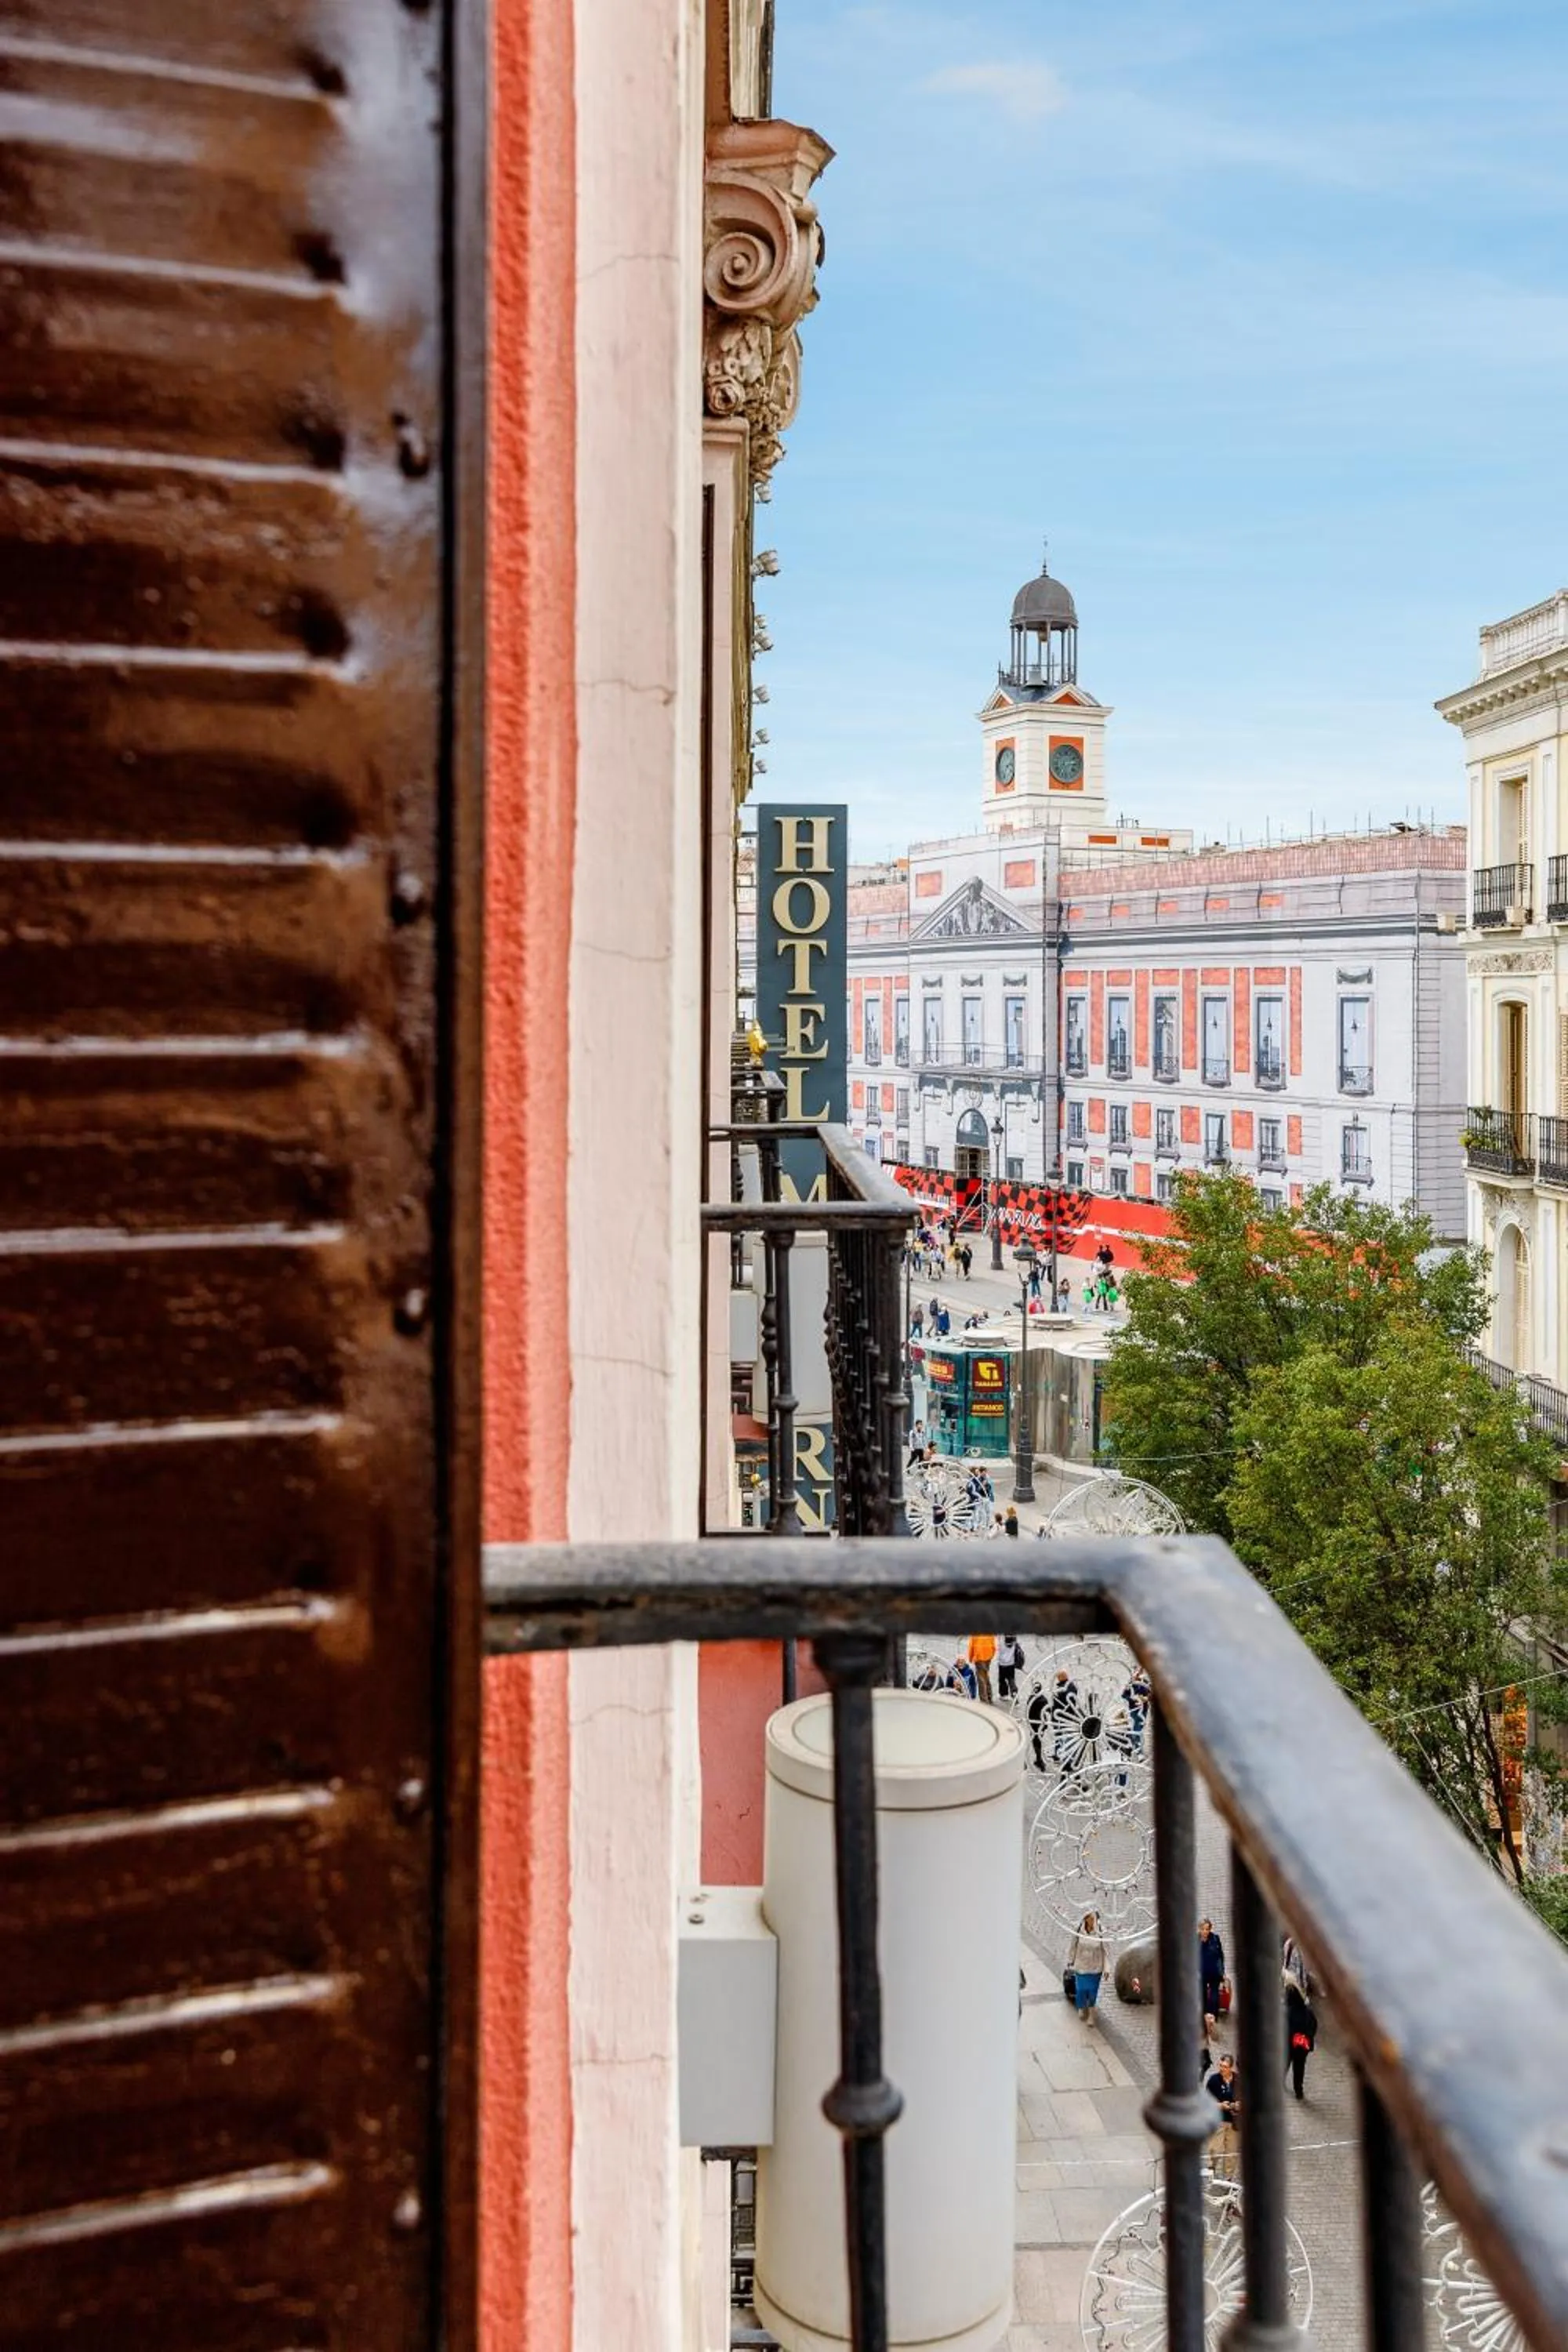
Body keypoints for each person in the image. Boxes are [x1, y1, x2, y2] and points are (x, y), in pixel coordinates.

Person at [1066, 1909, 1106, 2025]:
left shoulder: (1101, 1931)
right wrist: (1070, 1960)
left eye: (1093, 1918)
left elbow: (1106, 1950)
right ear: (1085, 1919)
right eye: (1089, 1918)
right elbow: (1073, 1945)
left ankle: (1091, 2015)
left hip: (1095, 1967)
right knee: (1081, 1990)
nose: (1092, 1920)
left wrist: (1107, 1969)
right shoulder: (1078, 1929)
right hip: (1081, 1965)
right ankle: (1081, 2006)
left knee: (1093, 1992)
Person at [1207, 2053, 1241, 2177]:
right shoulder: (1213, 2081)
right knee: (1215, 2149)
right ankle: (1211, 2168)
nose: (1222, 2069)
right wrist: (1220, 2106)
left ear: (1231, 2068)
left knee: (1231, 2152)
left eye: (1225, 2067)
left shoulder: (1239, 2081)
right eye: (1220, 2066)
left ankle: (1228, 2178)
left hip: (1234, 2123)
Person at [1284, 1978, 1317, 2101]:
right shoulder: (1307, 2012)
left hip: (1287, 2046)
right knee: (1299, 2068)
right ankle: (1298, 2090)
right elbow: (1314, 2026)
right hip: (1302, 2046)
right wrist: (1309, 2037)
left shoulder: (1284, 2012)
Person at [1198, 1918, 1226, 2040]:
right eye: (1203, 1929)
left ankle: (1212, 2016)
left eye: (1207, 1929)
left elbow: (1220, 1956)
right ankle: (1206, 2016)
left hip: (1213, 1972)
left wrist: (1222, 1972)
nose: (1205, 1931)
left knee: (1214, 1994)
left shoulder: (1214, 1939)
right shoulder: (1196, 1940)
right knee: (1203, 1994)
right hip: (1202, 1972)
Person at [967, 1632, 996, 1706]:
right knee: (986, 1677)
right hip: (988, 1656)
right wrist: (991, 1655)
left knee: (981, 1680)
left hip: (979, 1658)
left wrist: (970, 1658)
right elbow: (994, 1646)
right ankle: (989, 1697)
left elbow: (971, 1646)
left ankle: (984, 1701)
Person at [996, 1632, 1025, 1701]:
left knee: (1002, 1680)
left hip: (1002, 1664)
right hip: (1011, 1664)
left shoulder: (1001, 1640)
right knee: (1011, 1679)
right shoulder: (1013, 1639)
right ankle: (1014, 1692)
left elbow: (997, 1649)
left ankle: (1004, 1695)